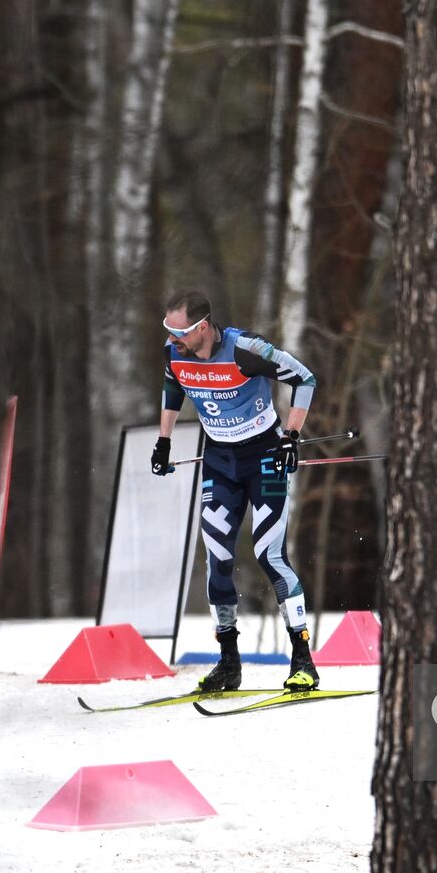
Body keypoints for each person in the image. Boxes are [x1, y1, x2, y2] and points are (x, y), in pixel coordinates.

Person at [151, 291, 320, 692]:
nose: (173, 340)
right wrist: (163, 442)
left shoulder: (245, 350)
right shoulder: (174, 354)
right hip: (220, 462)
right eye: (168, 332)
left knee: (268, 553)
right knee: (218, 557)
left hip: (264, 459)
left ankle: (303, 660)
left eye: (180, 332)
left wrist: (292, 435)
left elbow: (305, 379)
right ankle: (229, 663)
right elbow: (172, 389)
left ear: (203, 327)